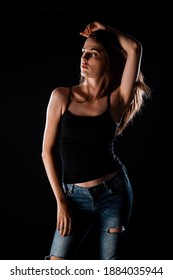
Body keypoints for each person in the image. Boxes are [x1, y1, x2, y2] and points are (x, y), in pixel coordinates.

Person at [41, 21, 151, 260]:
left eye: (93, 54)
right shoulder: (62, 96)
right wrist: (61, 201)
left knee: (109, 270)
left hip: (114, 193)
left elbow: (134, 48)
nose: (84, 58)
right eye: (83, 52)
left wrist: (106, 29)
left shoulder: (117, 100)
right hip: (73, 196)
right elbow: (46, 152)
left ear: (107, 62)